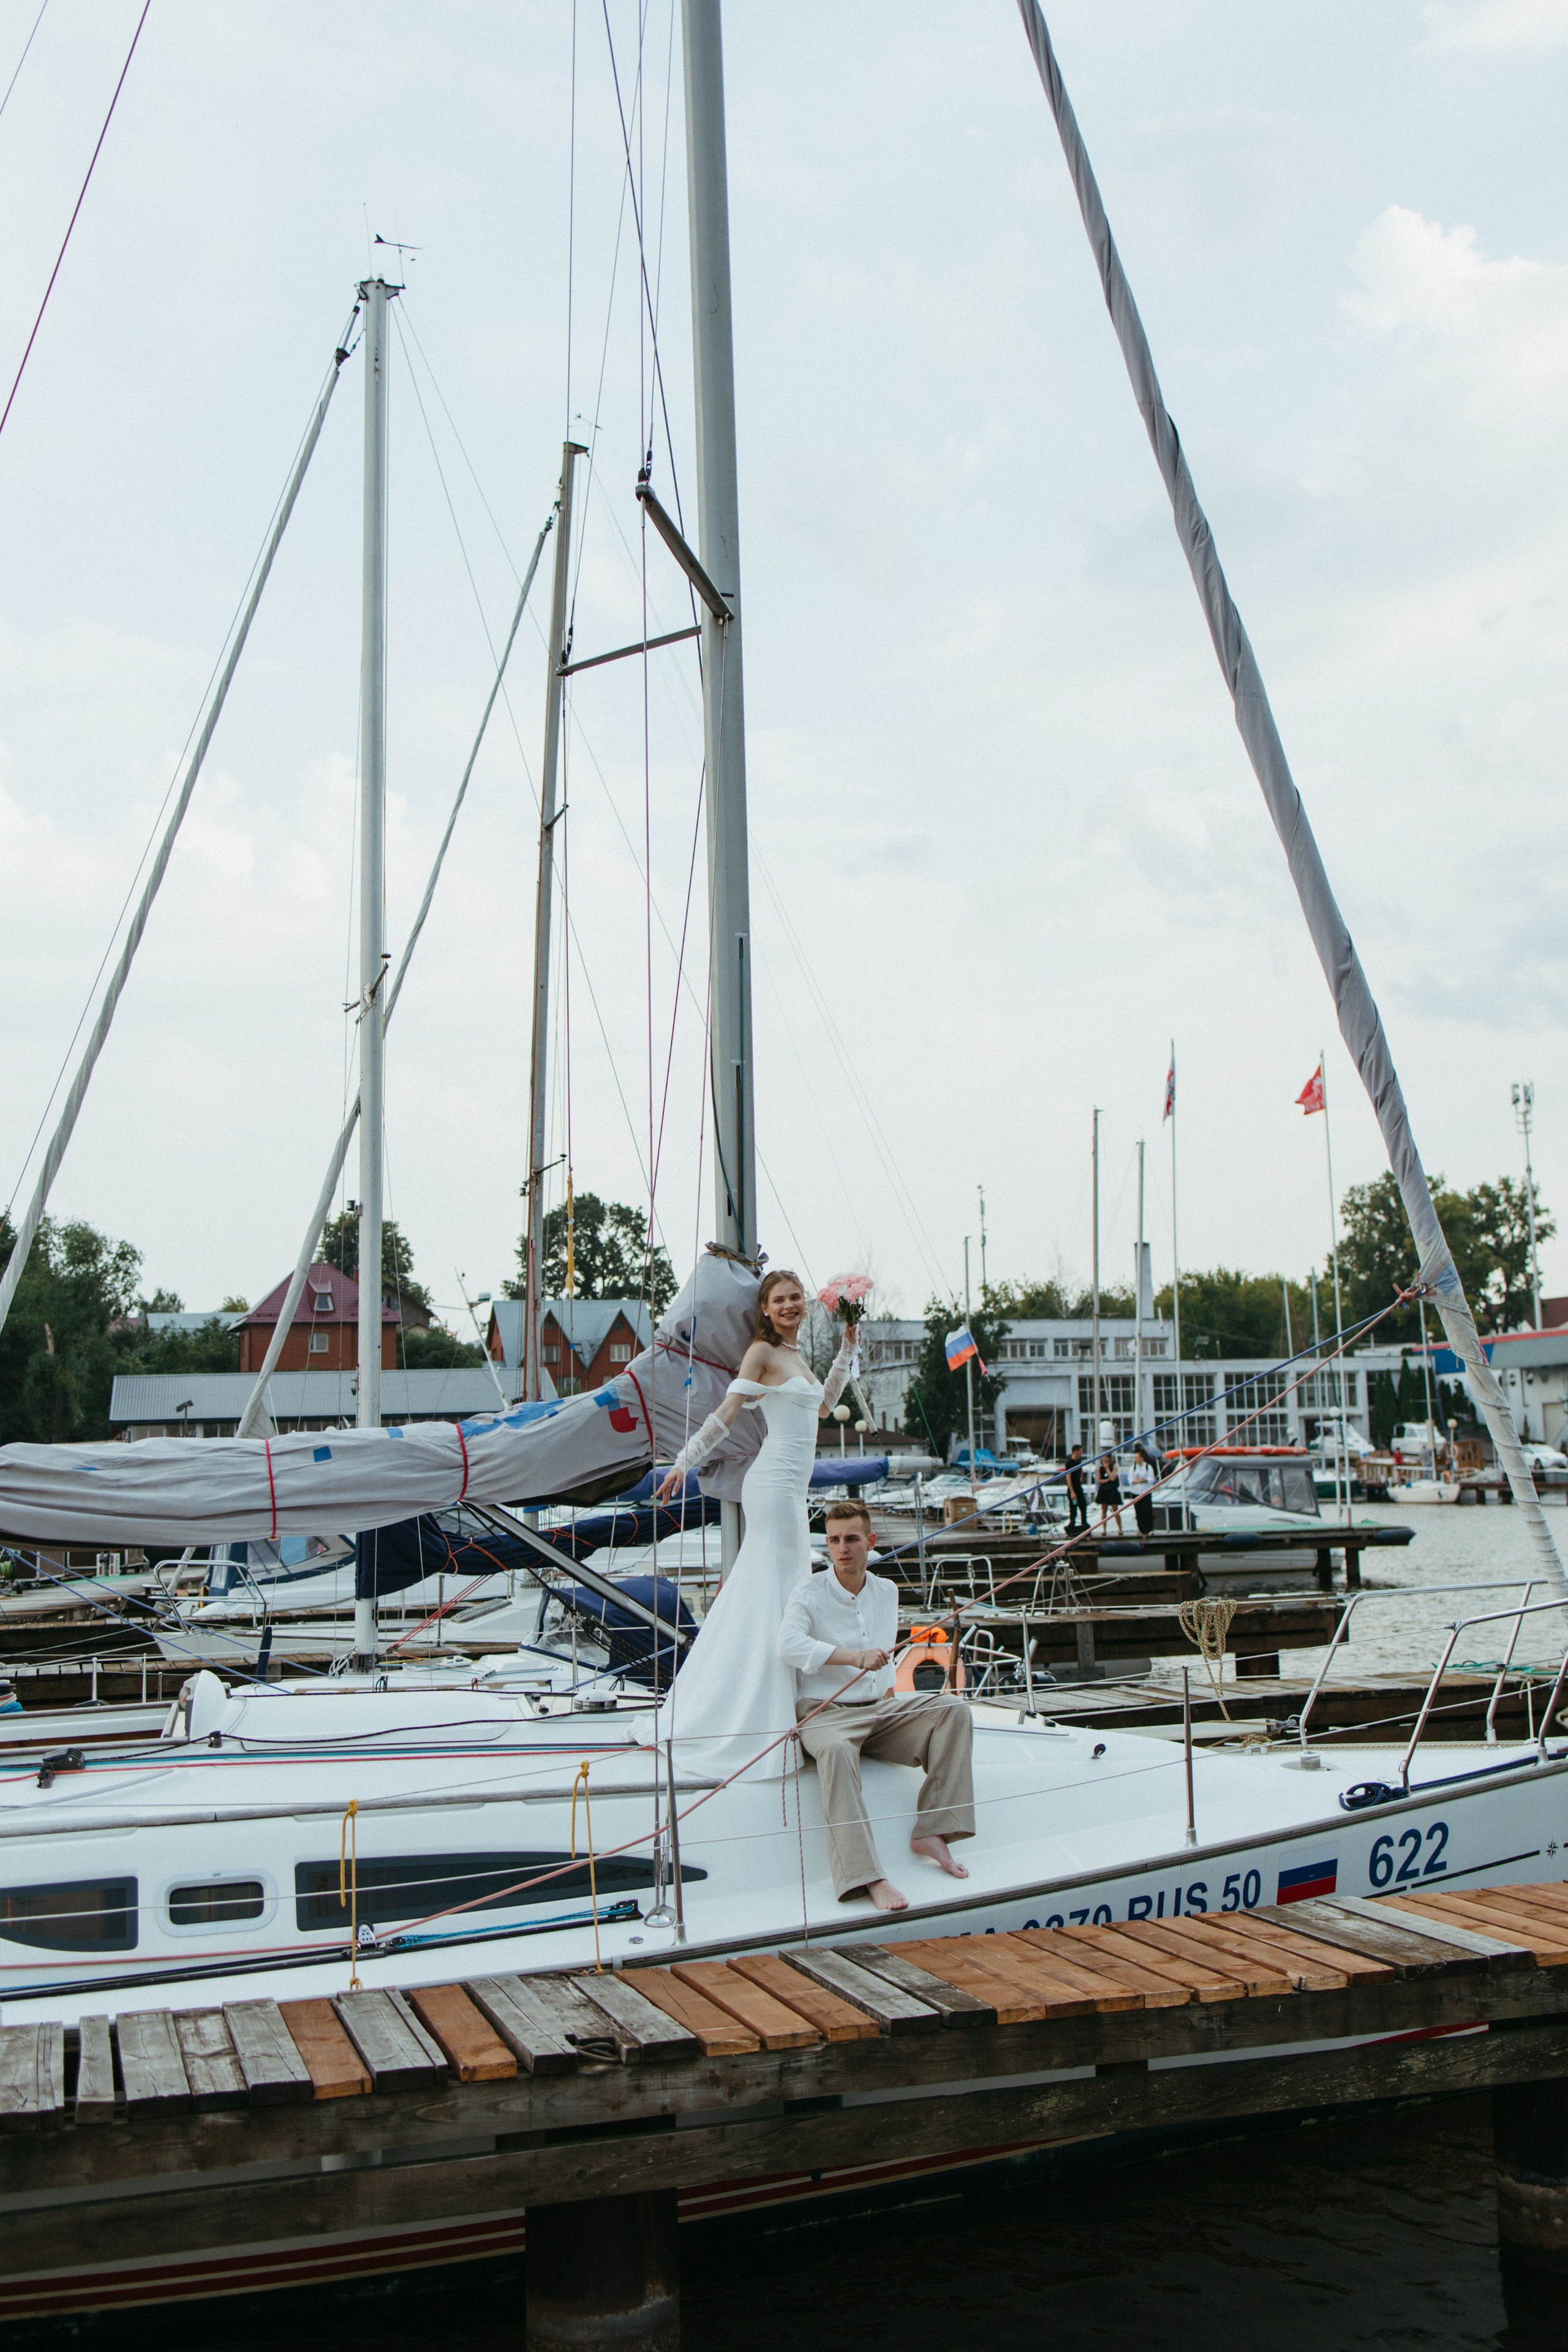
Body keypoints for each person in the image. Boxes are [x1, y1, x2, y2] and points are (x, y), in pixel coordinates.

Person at [650, 1268, 855, 1778]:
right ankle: (760, 1720)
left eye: (796, 1299)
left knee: (781, 1588)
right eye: (779, 1300)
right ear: (764, 1309)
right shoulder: (762, 1354)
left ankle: (781, 1705)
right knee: (783, 1591)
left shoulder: (797, 1359)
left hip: (792, 1488)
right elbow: (727, 1412)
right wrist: (684, 1461)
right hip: (771, 1484)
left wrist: (849, 1345)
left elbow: (825, 1405)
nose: (790, 1306)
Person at [779, 1498, 974, 1912]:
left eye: (851, 1539)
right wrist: (853, 1657)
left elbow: (884, 1663)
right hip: (824, 1713)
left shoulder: (887, 1591)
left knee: (953, 1711)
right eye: (834, 1540)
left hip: (876, 1710)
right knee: (833, 1750)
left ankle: (935, 1830)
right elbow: (789, 1645)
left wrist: (889, 1704)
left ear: (871, 1542)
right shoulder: (809, 1591)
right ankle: (867, 1877)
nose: (842, 1548)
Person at [1126, 1442, 1159, 1537]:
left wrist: (1143, 1480)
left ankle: (1149, 1529)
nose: (1136, 1460)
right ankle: (1141, 1529)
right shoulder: (1133, 1468)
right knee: (1139, 1511)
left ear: (1141, 1458)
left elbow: (1151, 1479)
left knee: (1147, 1511)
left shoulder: (1148, 1467)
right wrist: (1137, 1481)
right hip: (1136, 1492)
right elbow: (1130, 1480)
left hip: (1146, 1492)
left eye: (1137, 1458)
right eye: (1135, 1458)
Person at [1094, 1450, 1124, 1536]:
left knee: (1115, 1509)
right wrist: (1107, 1480)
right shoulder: (1100, 1468)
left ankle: (1120, 1529)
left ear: (1109, 1458)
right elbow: (1098, 1480)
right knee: (1104, 1509)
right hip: (1104, 1490)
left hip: (1112, 1490)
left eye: (1105, 1457)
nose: (1103, 1459)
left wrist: (1107, 1469)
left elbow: (1113, 1478)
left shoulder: (1113, 1467)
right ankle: (1104, 1530)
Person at [1064, 1442, 1088, 1534]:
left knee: (1083, 1506)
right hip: (1073, 1489)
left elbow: (1081, 1472)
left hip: (1079, 1487)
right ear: (1076, 1451)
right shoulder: (1070, 1462)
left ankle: (1084, 1523)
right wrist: (1072, 1491)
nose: (1082, 1453)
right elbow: (1068, 1477)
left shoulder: (1079, 1462)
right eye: (1081, 1451)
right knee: (1073, 1507)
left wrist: (1080, 1479)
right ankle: (1072, 1523)